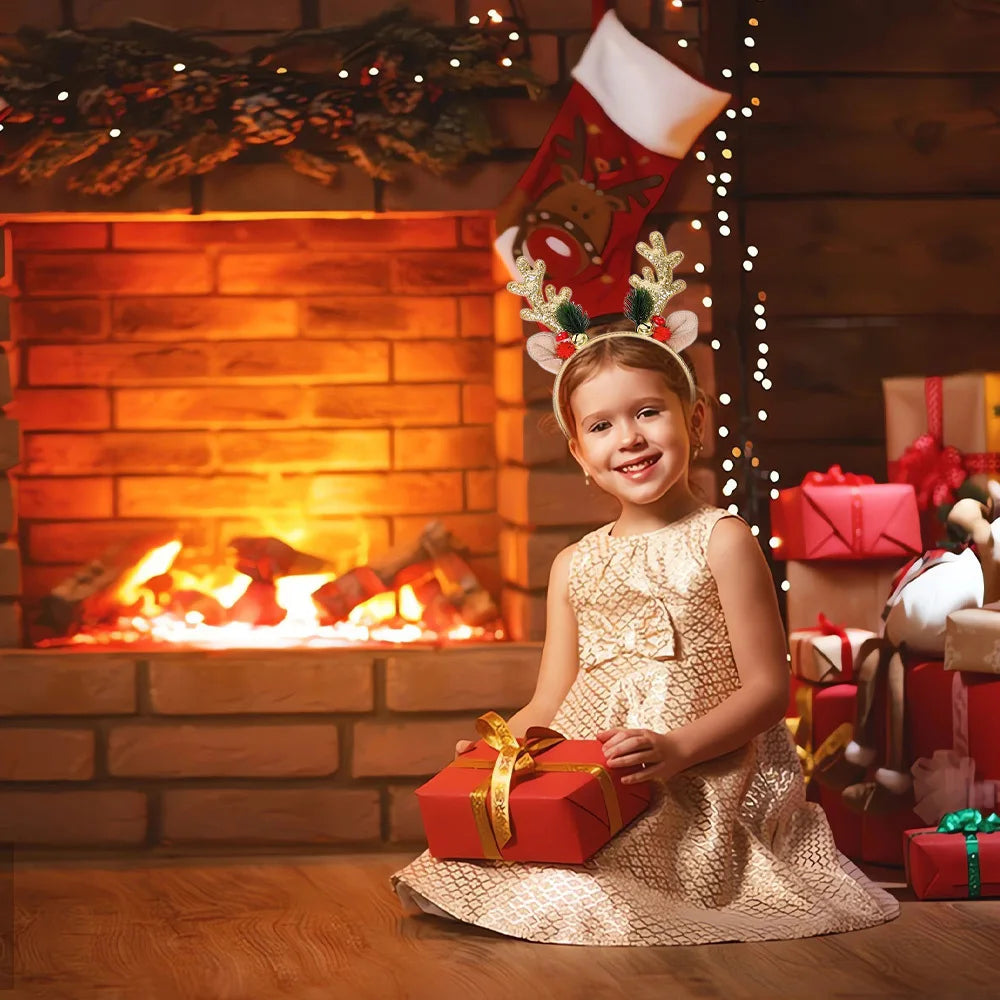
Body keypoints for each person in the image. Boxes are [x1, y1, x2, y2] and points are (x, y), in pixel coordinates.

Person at [391, 234, 899, 945]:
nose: (627, 437)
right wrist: (502, 754)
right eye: (601, 426)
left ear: (693, 420)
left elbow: (766, 690)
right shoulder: (573, 563)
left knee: (615, 867)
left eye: (647, 413)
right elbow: (550, 697)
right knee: (507, 858)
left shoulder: (722, 538)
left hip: (698, 771)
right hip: (596, 767)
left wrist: (679, 749)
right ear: (580, 455)